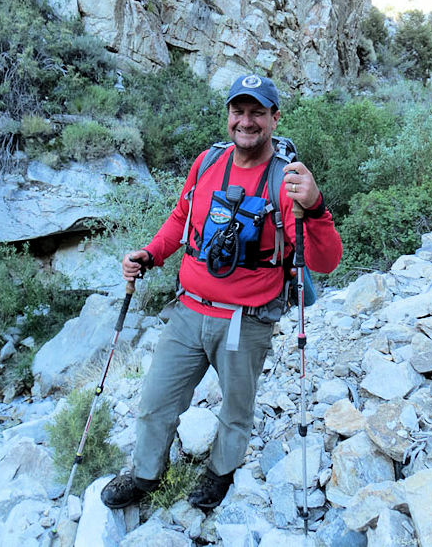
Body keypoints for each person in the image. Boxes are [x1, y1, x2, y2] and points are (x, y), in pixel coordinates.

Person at [101, 73, 342, 511]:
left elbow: (324, 262)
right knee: (156, 401)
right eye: (238, 110)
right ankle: (145, 475)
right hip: (189, 311)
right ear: (229, 114)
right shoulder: (208, 163)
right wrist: (151, 254)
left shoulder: (285, 182)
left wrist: (317, 204)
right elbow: (181, 218)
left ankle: (220, 473)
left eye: (256, 112)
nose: (245, 121)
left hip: (245, 320)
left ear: (274, 117)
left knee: (235, 409)